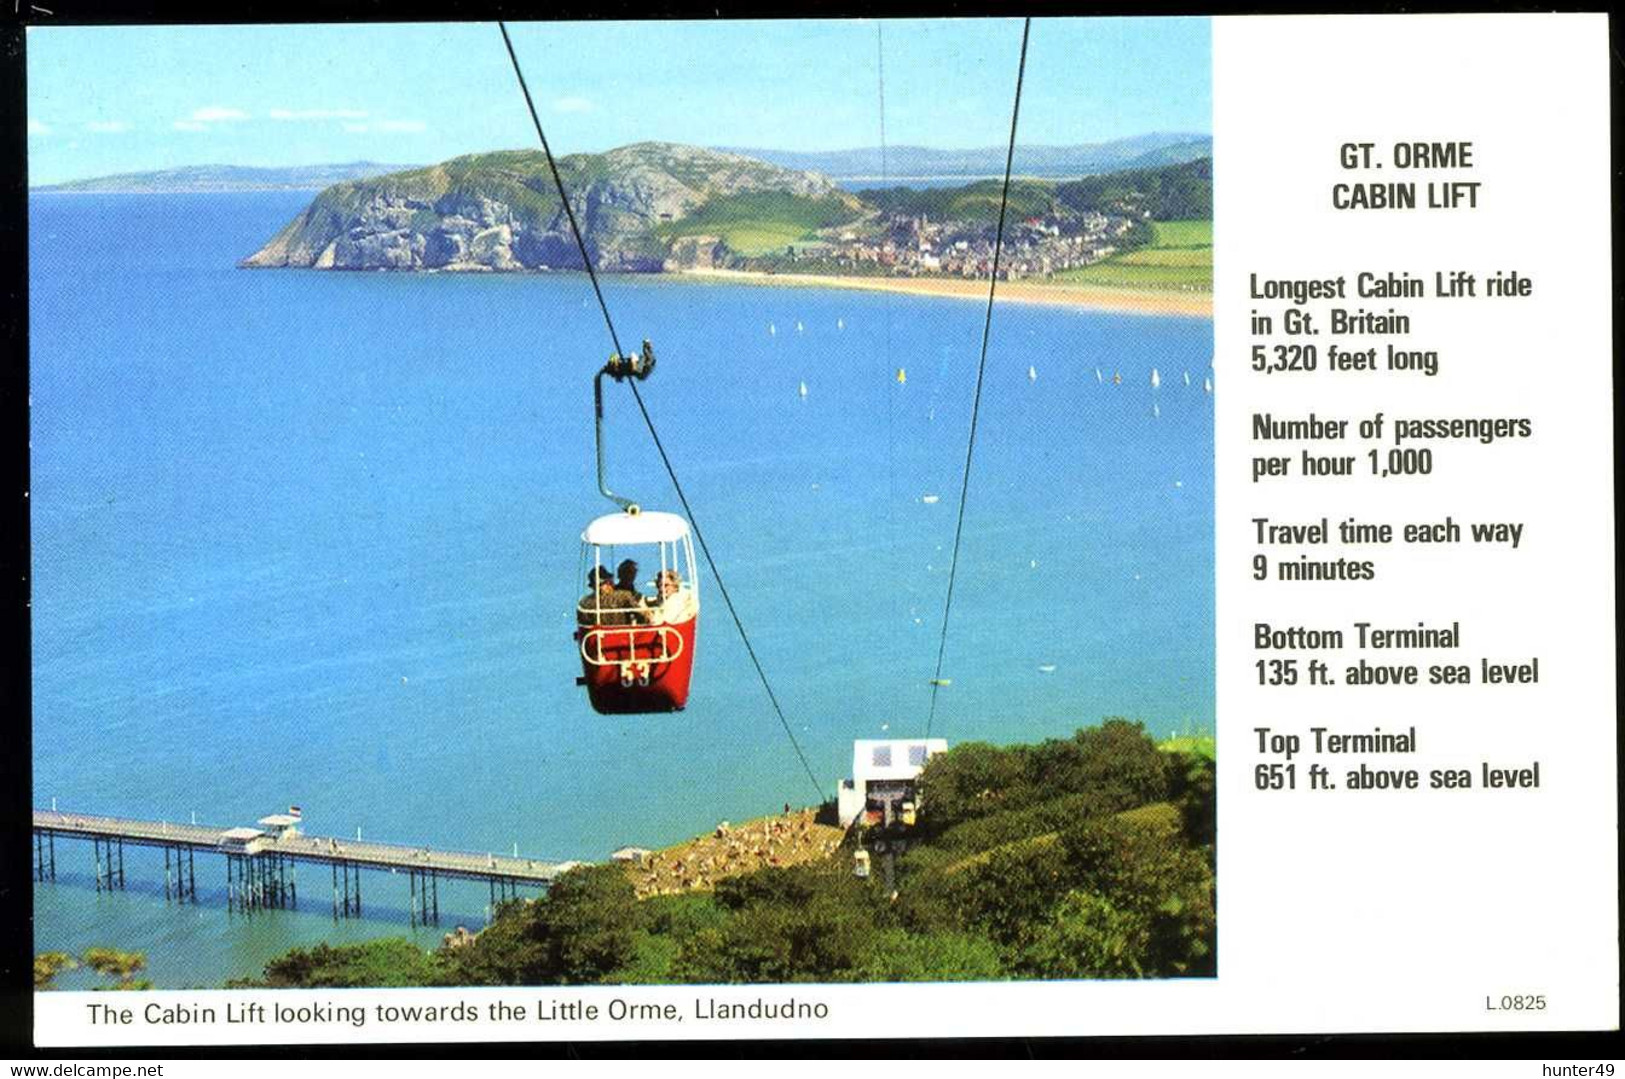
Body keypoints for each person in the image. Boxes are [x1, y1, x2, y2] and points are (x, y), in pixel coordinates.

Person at [613, 559, 649, 624]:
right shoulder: (611, 593)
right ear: (619, 574)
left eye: (632, 572)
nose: (629, 576)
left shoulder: (638, 596)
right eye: (626, 572)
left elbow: (644, 616)